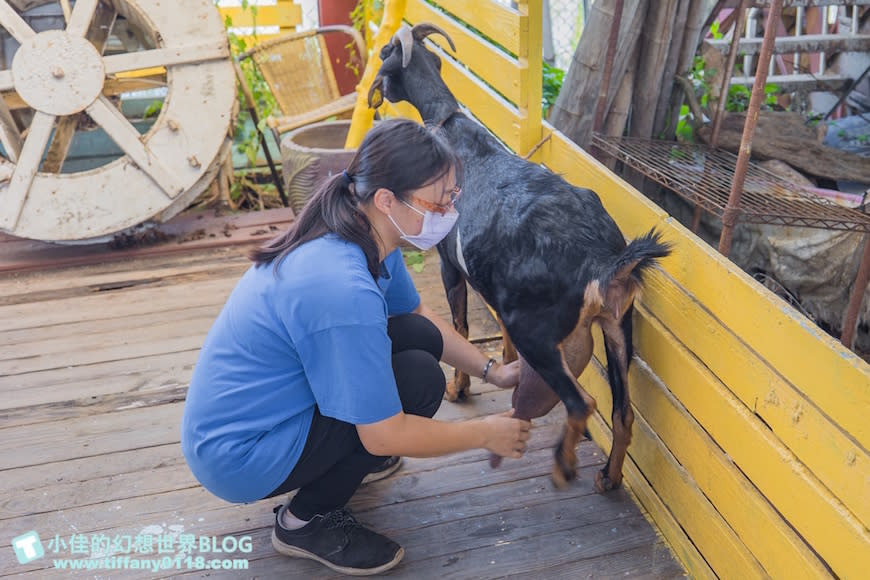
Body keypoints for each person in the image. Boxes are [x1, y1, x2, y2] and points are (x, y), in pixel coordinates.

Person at [180, 119, 531, 576]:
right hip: (241, 454)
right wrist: (486, 432)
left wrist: (493, 371)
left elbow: (418, 320)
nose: (449, 209)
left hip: (266, 410)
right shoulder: (341, 287)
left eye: (453, 196)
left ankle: (341, 460)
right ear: (387, 199)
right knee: (419, 382)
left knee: (416, 340)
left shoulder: (366, 231)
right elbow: (385, 433)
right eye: (440, 198)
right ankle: (304, 522)